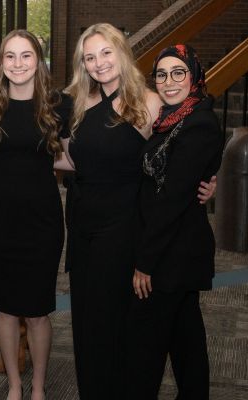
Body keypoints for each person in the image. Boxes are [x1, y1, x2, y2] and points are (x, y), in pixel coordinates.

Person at [60, 23, 216, 399]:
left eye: (106, 52)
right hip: (82, 228)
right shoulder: (80, 102)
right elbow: (71, 158)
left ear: (122, 52)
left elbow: (185, 151)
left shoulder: (148, 102)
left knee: (114, 327)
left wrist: (212, 180)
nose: (99, 63)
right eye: (90, 57)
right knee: (84, 325)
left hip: (122, 229)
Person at [125, 44, 224, 399]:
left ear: (195, 75)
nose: (169, 82)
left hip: (173, 254)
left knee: (144, 349)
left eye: (178, 73)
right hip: (174, 249)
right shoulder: (171, 119)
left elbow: (173, 199)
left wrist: (145, 263)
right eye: (162, 74)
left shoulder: (199, 122)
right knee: (186, 343)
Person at [0, 29, 71, 400]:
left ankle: (37, 386)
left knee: (36, 312)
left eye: (26, 56)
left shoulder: (57, 104)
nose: (18, 64)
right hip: (0, 218)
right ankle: (15, 384)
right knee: (4, 309)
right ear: (1, 62)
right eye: (10, 56)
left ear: (39, 60)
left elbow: (71, 156)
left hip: (42, 221)